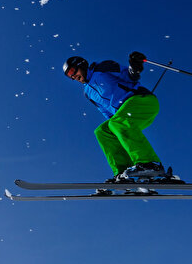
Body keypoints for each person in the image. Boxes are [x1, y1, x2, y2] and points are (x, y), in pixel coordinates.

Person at [63, 52, 167, 183]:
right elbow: (107, 113)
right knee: (103, 131)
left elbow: (130, 76)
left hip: (141, 101)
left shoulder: (103, 67)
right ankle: (123, 172)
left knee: (117, 123)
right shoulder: (87, 93)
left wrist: (135, 67)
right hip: (124, 114)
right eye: (69, 76)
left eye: (72, 71)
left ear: (81, 64)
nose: (73, 77)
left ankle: (150, 164)